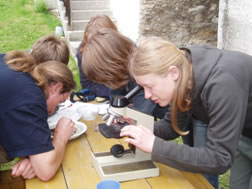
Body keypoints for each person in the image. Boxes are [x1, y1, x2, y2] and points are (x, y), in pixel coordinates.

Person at [119, 37, 252, 189]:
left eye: (149, 86)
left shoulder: (222, 84)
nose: (147, 95)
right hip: (242, 131)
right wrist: (139, 129)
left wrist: (155, 146)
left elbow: (219, 159)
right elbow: (172, 126)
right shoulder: (185, 69)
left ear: (173, 73)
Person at [0, 51, 76, 185]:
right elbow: (46, 171)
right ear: (56, 87)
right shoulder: (31, 97)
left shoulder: (17, 69)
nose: (52, 110)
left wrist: (34, 157)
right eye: (60, 102)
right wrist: (61, 136)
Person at [82, 28, 168, 119]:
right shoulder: (124, 72)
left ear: (113, 67)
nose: (106, 84)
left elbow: (141, 118)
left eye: (105, 80)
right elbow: (116, 94)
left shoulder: (142, 77)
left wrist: (128, 116)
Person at [76, 15, 117, 98]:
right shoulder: (83, 52)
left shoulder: (126, 50)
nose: (91, 47)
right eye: (89, 41)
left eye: (96, 43)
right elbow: (87, 85)